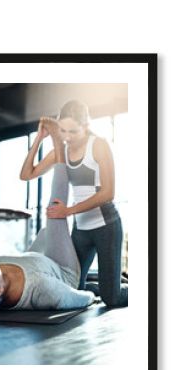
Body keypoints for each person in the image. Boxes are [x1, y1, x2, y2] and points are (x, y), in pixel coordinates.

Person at [0, 142, 96, 316]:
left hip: (40, 262)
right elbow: (84, 298)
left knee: (45, 233)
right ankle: (60, 153)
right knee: (55, 210)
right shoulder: (43, 290)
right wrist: (91, 294)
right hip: (63, 272)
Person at [20, 103, 128, 308]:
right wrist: (39, 139)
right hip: (81, 230)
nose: (67, 136)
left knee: (111, 299)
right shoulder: (62, 152)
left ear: (86, 125)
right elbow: (26, 175)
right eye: (62, 130)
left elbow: (108, 193)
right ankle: (109, 283)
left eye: (73, 131)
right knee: (70, 288)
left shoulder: (98, 145)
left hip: (106, 227)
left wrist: (67, 211)